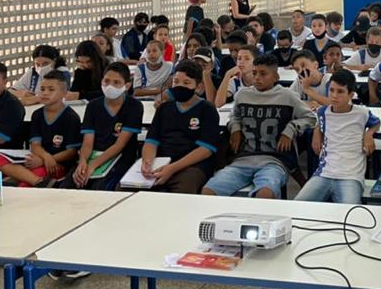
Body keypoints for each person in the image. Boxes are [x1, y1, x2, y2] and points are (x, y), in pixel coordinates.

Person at [273, 70, 379, 289]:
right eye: (331, 91)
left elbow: (376, 122)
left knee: (347, 226)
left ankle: (327, 287)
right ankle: (299, 281)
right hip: (324, 174)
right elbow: (318, 120)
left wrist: (368, 134)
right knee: (295, 215)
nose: (334, 96)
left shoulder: (362, 113)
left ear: (351, 94)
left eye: (340, 92)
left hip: (350, 177)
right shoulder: (322, 113)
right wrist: (319, 131)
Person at [203, 54, 315, 198]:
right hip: (242, 159)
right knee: (208, 191)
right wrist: (235, 128)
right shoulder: (242, 94)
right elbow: (235, 115)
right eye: (254, 73)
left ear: (275, 77)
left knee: (265, 194)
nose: (257, 78)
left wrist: (291, 129)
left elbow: (310, 117)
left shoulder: (288, 96)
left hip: (274, 161)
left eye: (263, 74)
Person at [140, 61, 221, 194]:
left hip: (193, 165)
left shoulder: (207, 109)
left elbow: (206, 149)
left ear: (198, 87)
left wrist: (172, 168)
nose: (179, 86)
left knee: (183, 192)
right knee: (129, 189)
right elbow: (151, 141)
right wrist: (147, 162)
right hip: (162, 161)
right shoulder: (164, 108)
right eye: (176, 82)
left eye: (186, 83)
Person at [65, 62, 143, 191]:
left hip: (120, 157)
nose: (110, 86)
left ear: (127, 85)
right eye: (106, 81)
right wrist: (83, 162)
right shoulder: (93, 106)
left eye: (116, 82)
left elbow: (120, 145)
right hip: (93, 155)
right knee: (70, 185)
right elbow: (88, 142)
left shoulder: (134, 106)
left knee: (100, 188)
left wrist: (93, 165)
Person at [0, 70, 80, 187]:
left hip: (56, 164)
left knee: (24, 184)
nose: (45, 93)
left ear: (64, 93)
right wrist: (44, 157)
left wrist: (45, 160)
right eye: (42, 89)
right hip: (39, 158)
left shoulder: (71, 117)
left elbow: (71, 152)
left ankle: (32, 180)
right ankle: (39, 181)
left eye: (51, 90)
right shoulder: (37, 114)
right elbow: (35, 144)